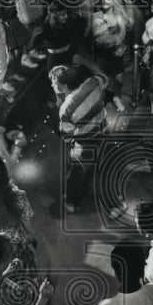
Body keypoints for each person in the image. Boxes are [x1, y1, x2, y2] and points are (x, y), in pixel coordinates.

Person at [50, 63, 108, 214]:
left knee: (76, 173)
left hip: (84, 142)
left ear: (65, 85)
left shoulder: (67, 108)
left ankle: (70, 200)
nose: (52, 84)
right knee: (89, 166)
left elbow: (67, 134)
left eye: (55, 83)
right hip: (101, 132)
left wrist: (73, 148)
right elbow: (103, 77)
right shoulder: (93, 82)